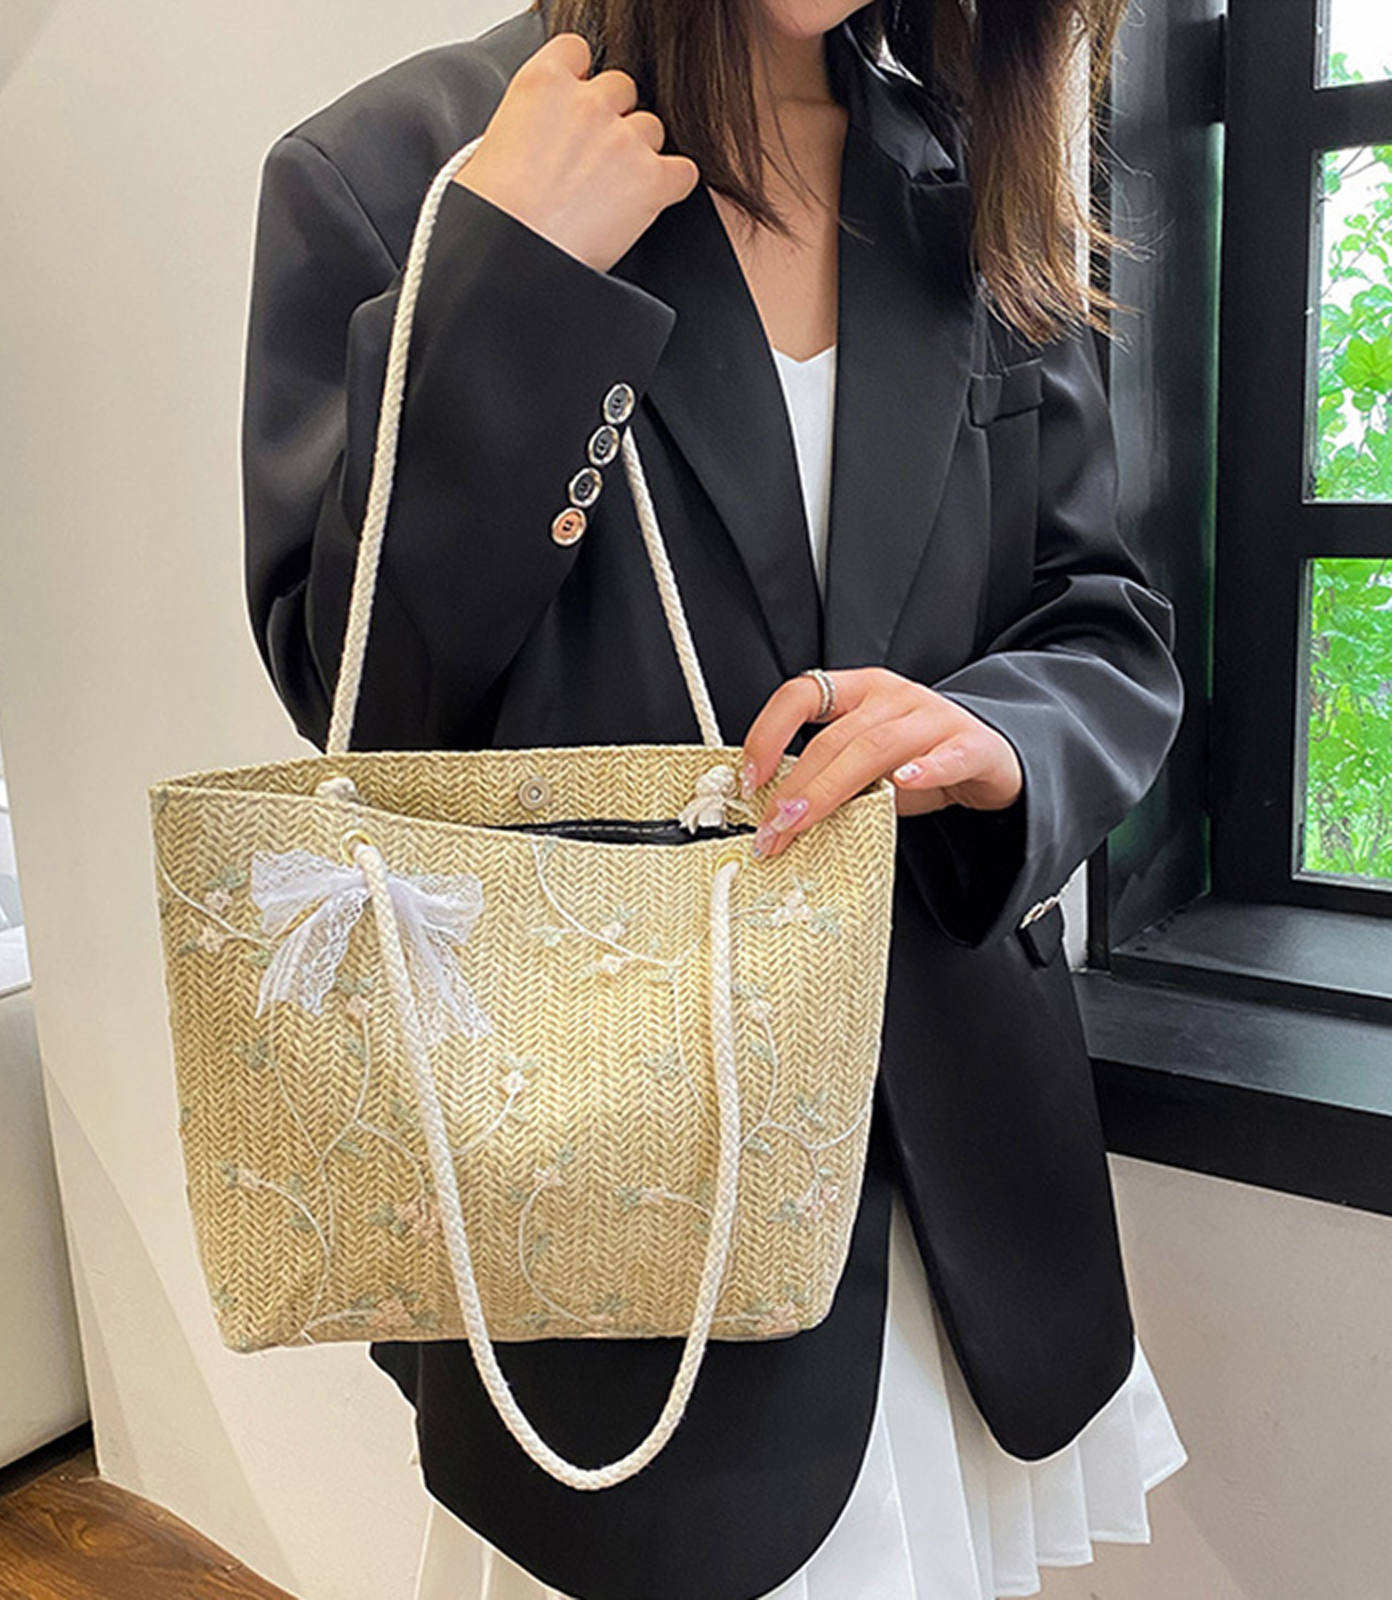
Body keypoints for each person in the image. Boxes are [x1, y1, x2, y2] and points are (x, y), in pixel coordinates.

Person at [239, 1, 1190, 1596]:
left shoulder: (957, 162)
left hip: (954, 1188)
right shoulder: (399, 171)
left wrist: (993, 734)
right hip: (611, 1211)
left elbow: (1102, 620)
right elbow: (368, 721)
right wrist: (515, 282)